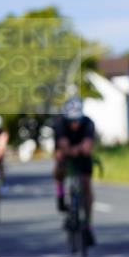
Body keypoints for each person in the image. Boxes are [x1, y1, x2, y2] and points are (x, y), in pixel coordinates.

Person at [53, 98, 97, 247]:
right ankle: (60, 194)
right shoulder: (59, 123)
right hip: (65, 152)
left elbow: (87, 146)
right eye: (71, 121)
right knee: (59, 164)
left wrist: (80, 149)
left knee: (86, 187)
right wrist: (69, 150)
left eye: (76, 120)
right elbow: (62, 145)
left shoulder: (88, 123)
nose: (74, 124)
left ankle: (88, 225)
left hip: (82, 156)